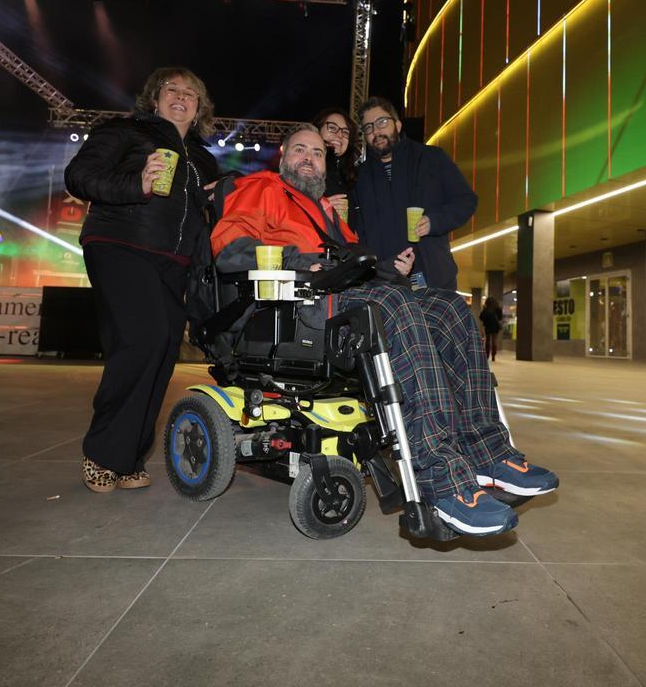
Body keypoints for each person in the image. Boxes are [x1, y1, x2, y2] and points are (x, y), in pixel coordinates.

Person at [211, 124, 557, 537]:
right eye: (300, 150)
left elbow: (356, 265)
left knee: (450, 307)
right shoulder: (260, 190)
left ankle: (487, 450)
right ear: (283, 156)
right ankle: (440, 476)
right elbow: (228, 250)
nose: (309, 157)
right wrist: (301, 261)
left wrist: (391, 269)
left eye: (318, 153)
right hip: (297, 305)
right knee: (391, 304)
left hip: (345, 296)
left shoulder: (325, 211)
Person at [65, 66, 219, 494]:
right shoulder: (126, 132)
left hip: (175, 263)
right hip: (121, 244)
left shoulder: (203, 159)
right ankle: (102, 454)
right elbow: (79, 176)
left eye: (191, 93)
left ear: (199, 108)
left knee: (162, 354)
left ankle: (130, 457)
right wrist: (138, 183)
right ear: (155, 99)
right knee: (144, 339)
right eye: (172, 89)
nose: (181, 96)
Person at [353, 96, 477, 291]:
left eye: (381, 122)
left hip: (433, 278)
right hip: (383, 284)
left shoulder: (432, 158)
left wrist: (434, 221)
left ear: (398, 125)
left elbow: (467, 200)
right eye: (368, 127)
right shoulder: (360, 176)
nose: (376, 131)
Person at [312, 107, 357, 227]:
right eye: (332, 127)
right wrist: (320, 208)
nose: (339, 135)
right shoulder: (306, 170)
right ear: (317, 131)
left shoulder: (351, 176)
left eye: (345, 132)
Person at [480, 296, 503, 363]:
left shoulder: (486, 309)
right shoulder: (498, 308)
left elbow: (481, 317)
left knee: (487, 341)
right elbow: (500, 318)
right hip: (495, 326)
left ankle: (487, 356)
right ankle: (493, 356)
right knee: (494, 341)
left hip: (488, 326)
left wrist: (484, 309)